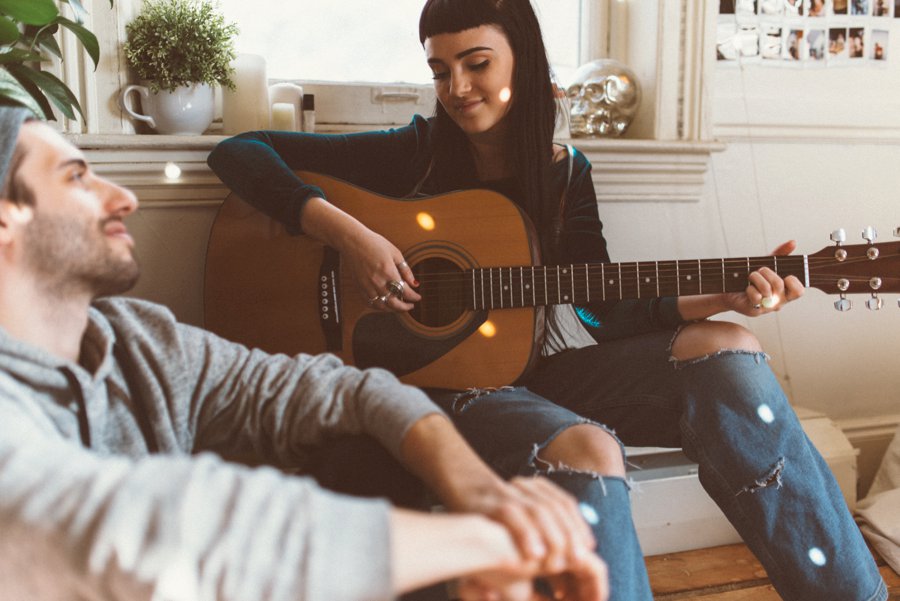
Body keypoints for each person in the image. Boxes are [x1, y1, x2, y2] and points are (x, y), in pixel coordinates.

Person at [207, 0, 889, 599]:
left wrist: (724, 298)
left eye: (475, 63)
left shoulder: (564, 174)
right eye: (440, 69)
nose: (456, 87)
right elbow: (240, 152)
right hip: (426, 387)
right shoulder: (409, 154)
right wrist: (352, 237)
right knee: (590, 448)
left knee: (733, 352)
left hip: (523, 371)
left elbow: (600, 307)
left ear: (522, 61)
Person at [0, 108, 612, 601]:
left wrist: (478, 490)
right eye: (78, 176)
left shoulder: (138, 340)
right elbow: (153, 530)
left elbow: (347, 388)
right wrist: (484, 543)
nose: (123, 197)